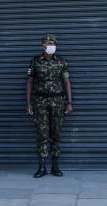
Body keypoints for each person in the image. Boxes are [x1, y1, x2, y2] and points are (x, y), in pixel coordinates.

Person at [26, 33, 73, 178]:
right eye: (47, 43)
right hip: (40, 102)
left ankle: (55, 167)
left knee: (56, 134)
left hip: (58, 102)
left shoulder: (61, 61)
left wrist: (69, 102)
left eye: (52, 43)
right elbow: (30, 83)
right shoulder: (35, 61)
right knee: (42, 135)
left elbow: (66, 83)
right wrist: (28, 103)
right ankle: (42, 168)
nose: (50, 45)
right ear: (42, 45)